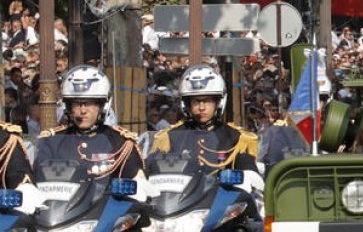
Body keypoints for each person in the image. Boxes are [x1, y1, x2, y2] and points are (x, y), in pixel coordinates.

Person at [150, 64, 262, 191]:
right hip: (179, 201)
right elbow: (154, 170)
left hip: (221, 202)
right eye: (195, 101)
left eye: (207, 101)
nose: (201, 107)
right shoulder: (169, 137)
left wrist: (248, 176)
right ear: (186, 104)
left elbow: (249, 170)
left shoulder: (236, 137)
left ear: (218, 103)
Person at [38, 65, 148, 194]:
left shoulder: (122, 142)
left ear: (103, 106)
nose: (83, 110)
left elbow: (138, 185)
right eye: (77, 104)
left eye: (90, 103)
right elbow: (39, 182)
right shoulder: (52, 141)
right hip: (62, 210)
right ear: (67, 106)